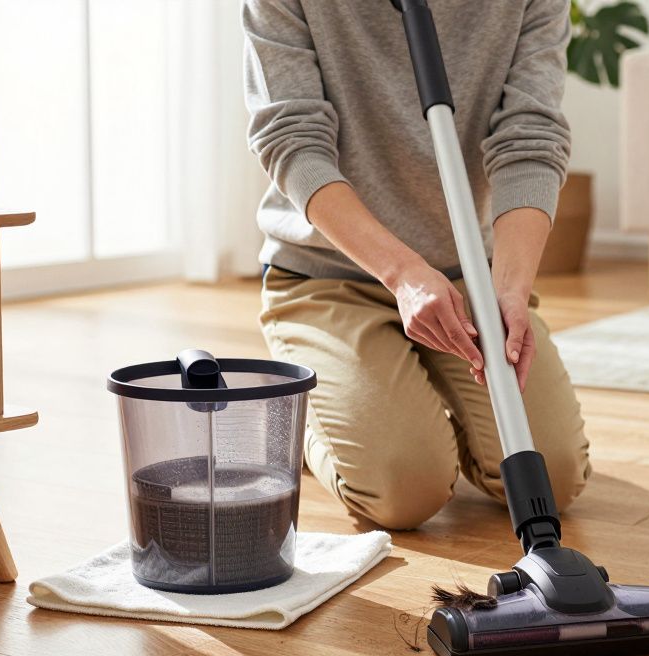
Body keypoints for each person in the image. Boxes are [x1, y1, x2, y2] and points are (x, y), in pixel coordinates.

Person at [244, 0, 590, 530]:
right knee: (405, 491)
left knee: (555, 477)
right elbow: (292, 140)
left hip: (466, 272)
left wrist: (511, 289)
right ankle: (312, 417)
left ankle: (395, 410)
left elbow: (530, 137)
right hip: (327, 275)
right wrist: (403, 273)